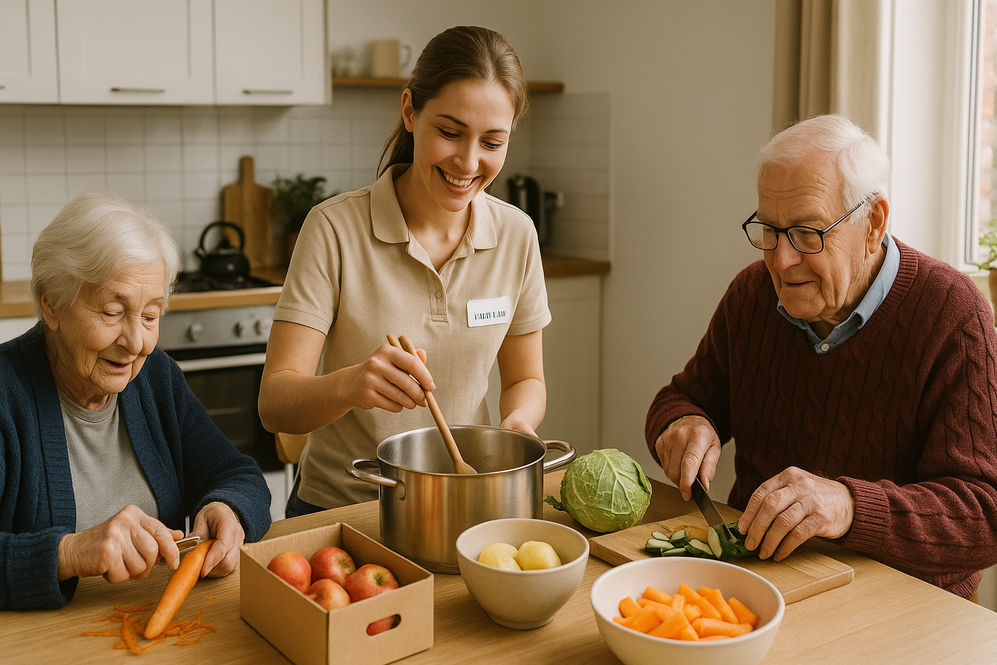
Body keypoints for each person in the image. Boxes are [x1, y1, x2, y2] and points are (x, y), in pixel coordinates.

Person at [645, 114, 997, 599]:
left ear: (873, 224)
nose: (780, 260)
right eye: (769, 229)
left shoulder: (953, 314)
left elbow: (984, 512)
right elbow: (683, 396)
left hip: (903, 606)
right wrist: (683, 423)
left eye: (807, 233)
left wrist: (850, 505)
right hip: (758, 584)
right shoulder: (752, 294)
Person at [259, 25, 550, 512]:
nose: (469, 161)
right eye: (450, 132)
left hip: (461, 503)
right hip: (342, 509)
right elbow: (275, 403)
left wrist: (518, 423)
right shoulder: (333, 228)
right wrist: (351, 385)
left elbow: (526, 380)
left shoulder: (517, 235)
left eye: (492, 142)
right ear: (411, 111)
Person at [0, 192, 272, 610]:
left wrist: (228, 508)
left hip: (154, 626)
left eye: (150, 316)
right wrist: (69, 553)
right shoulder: (6, 393)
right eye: (112, 312)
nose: (136, 343)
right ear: (51, 304)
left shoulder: (157, 378)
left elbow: (238, 473)